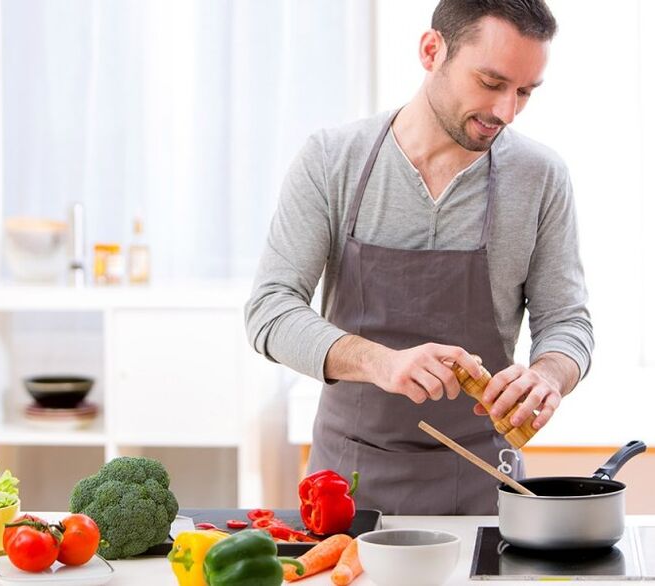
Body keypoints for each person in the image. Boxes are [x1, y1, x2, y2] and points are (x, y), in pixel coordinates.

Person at [244, 0, 594, 515]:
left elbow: (568, 322)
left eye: (524, 92)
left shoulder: (540, 177)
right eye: (491, 82)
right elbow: (270, 311)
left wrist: (547, 375)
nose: (506, 112)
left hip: (484, 484)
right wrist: (380, 362)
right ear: (433, 51)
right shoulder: (331, 160)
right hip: (346, 485)